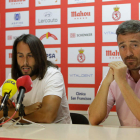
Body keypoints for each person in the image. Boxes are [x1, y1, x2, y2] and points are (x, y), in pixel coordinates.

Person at [0, 34, 71, 124]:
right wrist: (25, 110)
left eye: (30, 55)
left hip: (56, 135)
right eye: (20, 56)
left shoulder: (53, 75)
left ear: (39, 57)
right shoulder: (12, 77)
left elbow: (47, 116)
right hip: (24, 133)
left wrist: (11, 115)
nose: (25, 62)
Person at [89, 20, 140, 126]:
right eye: (122, 46)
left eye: (134, 45)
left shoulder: (120, 78)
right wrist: (106, 82)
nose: (128, 53)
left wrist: (122, 82)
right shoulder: (118, 73)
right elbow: (93, 119)